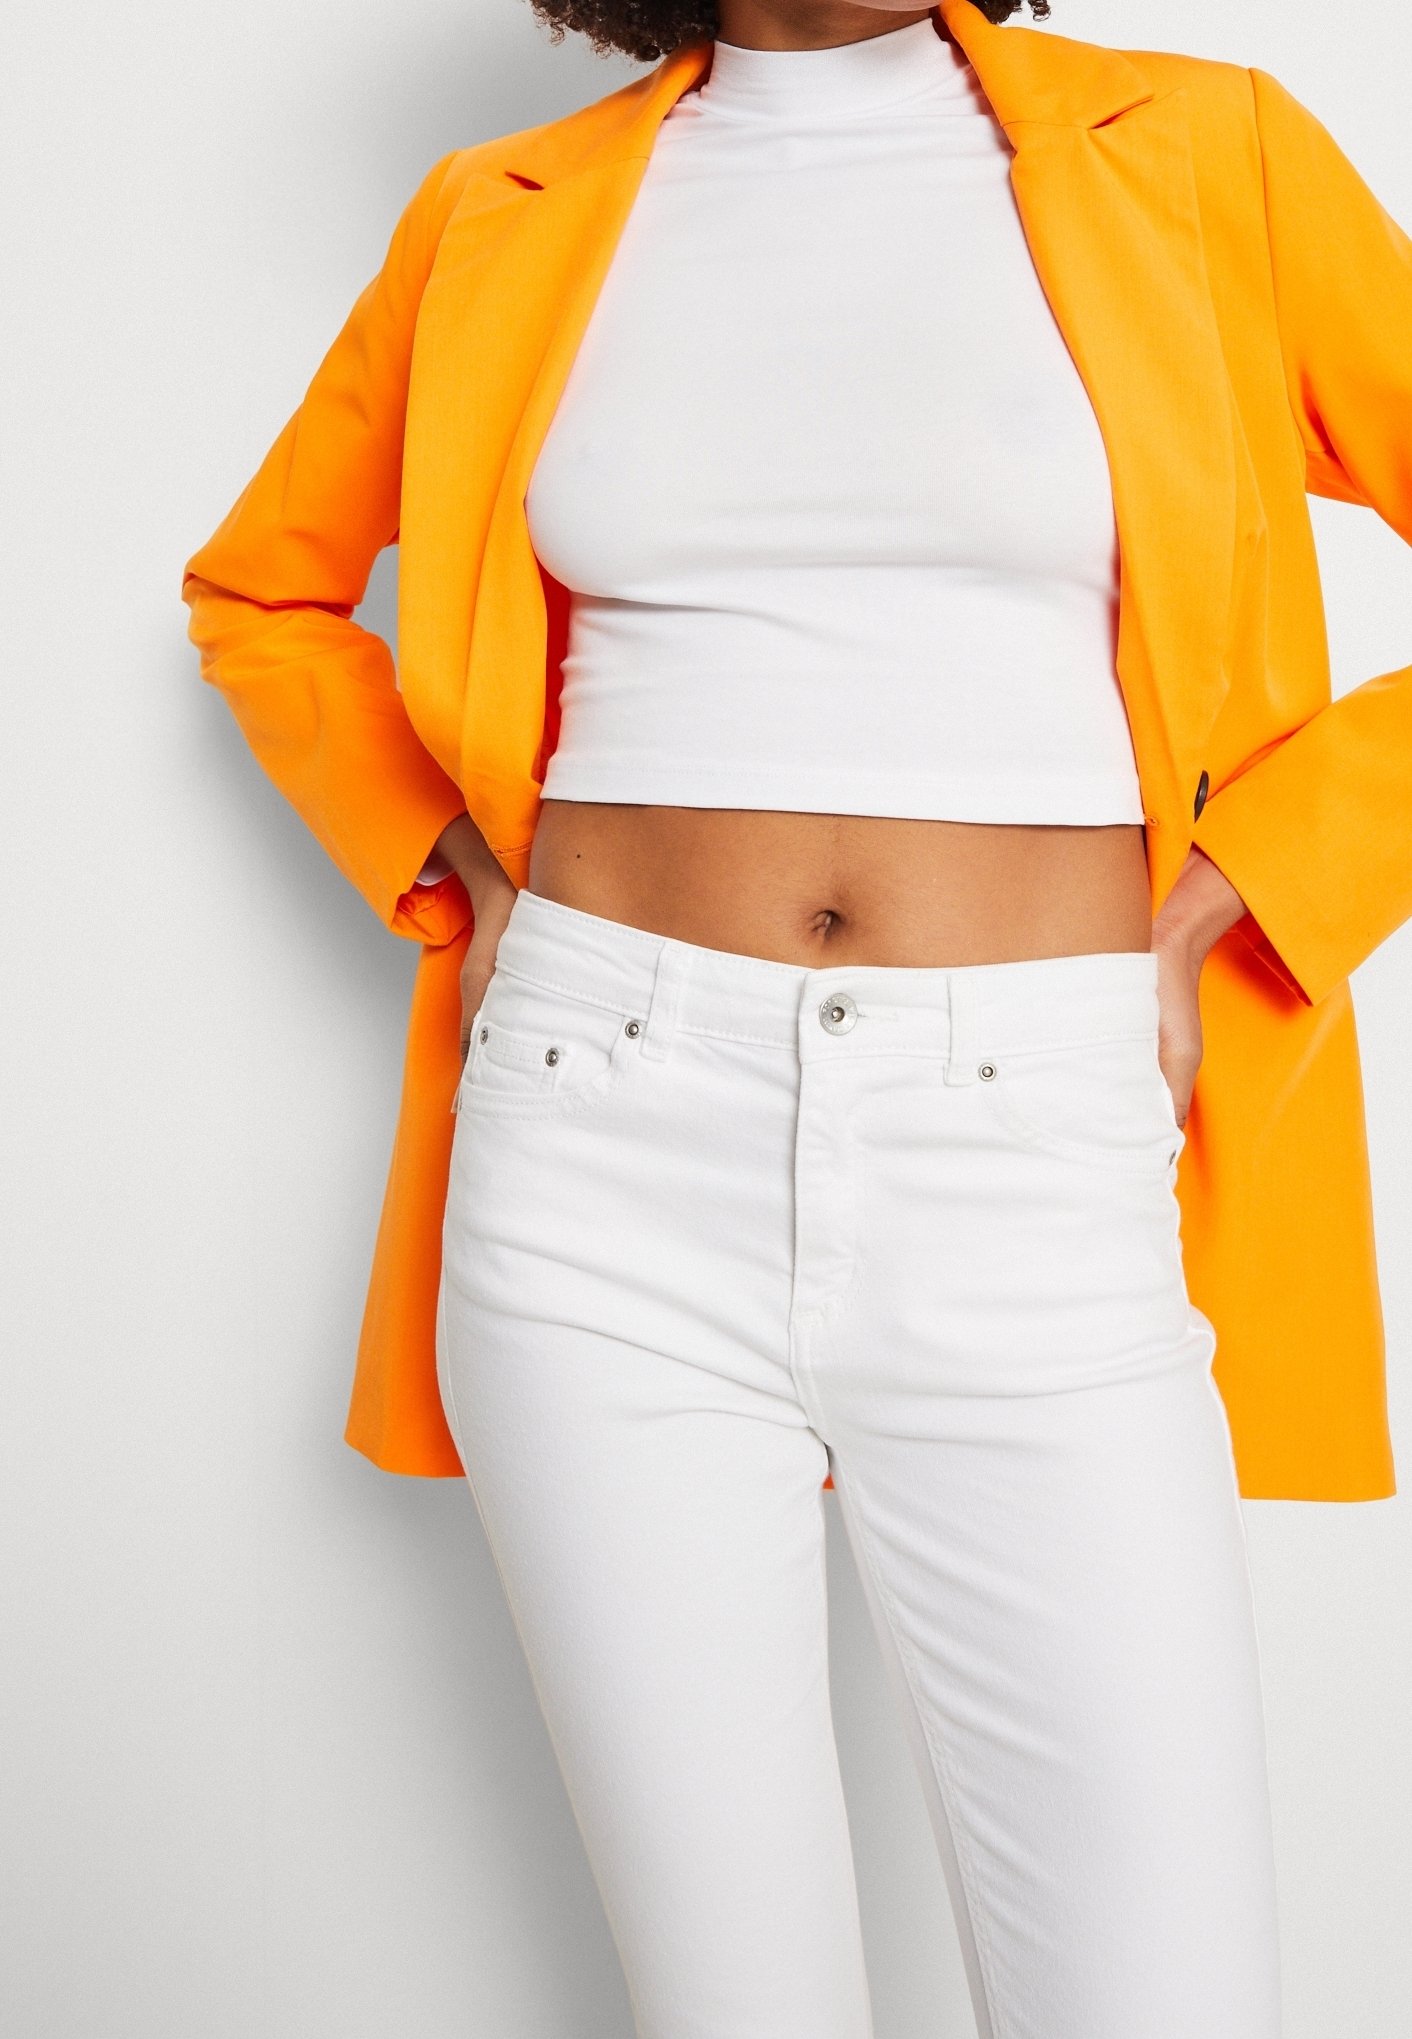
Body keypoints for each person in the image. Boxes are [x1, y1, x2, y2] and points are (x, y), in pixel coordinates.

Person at [182, 2, 1412, 2032]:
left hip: (1028, 1141)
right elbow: (262, 593)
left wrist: (1252, 883)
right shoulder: (506, 210)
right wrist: (456, 871)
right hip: (596, 1138)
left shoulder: (1206, 153)